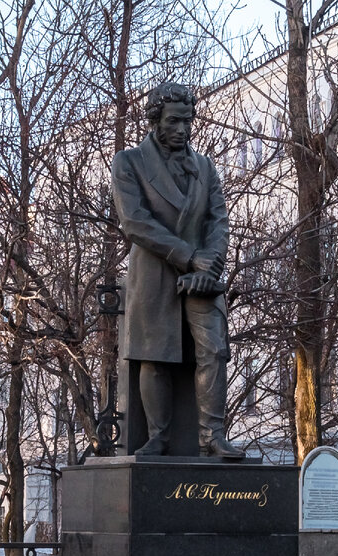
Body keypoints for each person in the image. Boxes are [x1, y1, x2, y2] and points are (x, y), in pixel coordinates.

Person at [111, 82, 244, 458]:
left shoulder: (204, 167)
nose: (183, 129)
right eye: (174, 121)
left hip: (202, 274)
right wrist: (189, 257)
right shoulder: (130, 162)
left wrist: (211, 262)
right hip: (156, 273)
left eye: (187, 121)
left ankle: (212, 435)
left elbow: (219, 220)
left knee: (215, 351)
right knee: (156, 356)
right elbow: (135, 222)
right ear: (155, 121)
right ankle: (159, 437)